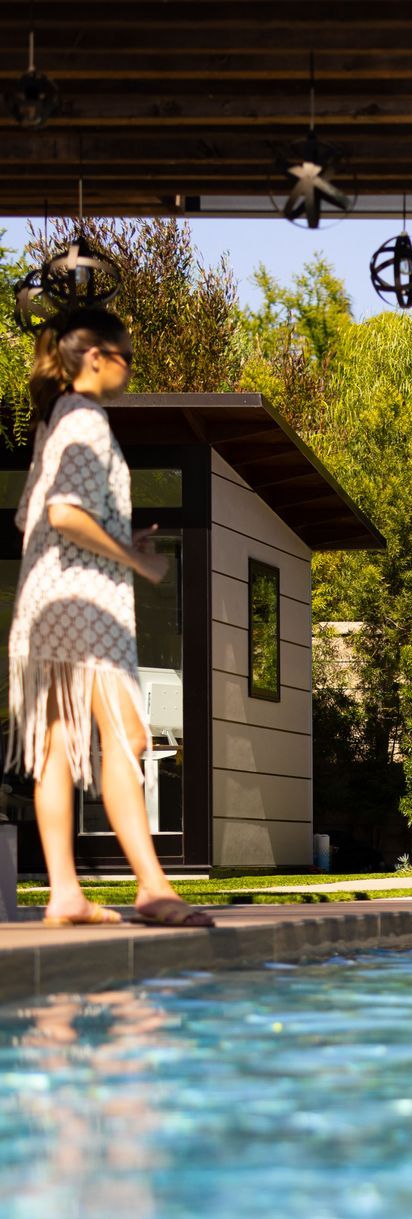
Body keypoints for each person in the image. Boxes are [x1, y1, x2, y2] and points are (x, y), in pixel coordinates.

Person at [7, 308, 211, 929]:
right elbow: (65, 514)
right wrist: (133, 561)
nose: (129, 367)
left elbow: (30, 520)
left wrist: (119, 539)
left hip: (45, 602)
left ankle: (66, 892)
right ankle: (152, 888)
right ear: (96, 356)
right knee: (129, 738)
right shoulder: (86, 420)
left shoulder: (55, 421)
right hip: (85, 605)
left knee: (59, 746)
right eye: (125, 356)